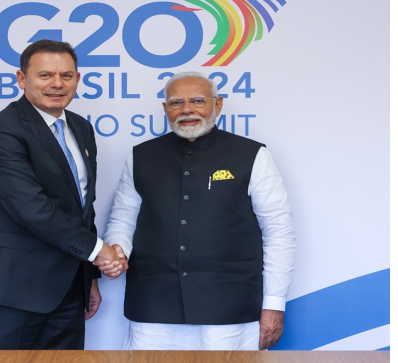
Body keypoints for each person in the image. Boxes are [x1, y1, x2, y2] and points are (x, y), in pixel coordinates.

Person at [103, 71, 296, 351]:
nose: (187, 110)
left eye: (197, 100)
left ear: (217, 105)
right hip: (155, 305)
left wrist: (274, 305)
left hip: (230, 307)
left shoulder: (252, 155)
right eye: (176, 103)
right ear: (165, 109)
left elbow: (279, 232)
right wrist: (118, 249)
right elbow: (123, 217)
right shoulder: (141, 156)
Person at [0, 40, 126, 350]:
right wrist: (99, 252)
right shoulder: (0, 131)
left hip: (67, 290)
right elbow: (31, 209)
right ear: (22, 79)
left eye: (66, 75)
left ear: (78, 79)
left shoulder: (80, 127)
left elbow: (82, 208)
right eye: (45, 75)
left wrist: (88, 276)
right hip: (11, 290)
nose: (56, 84)